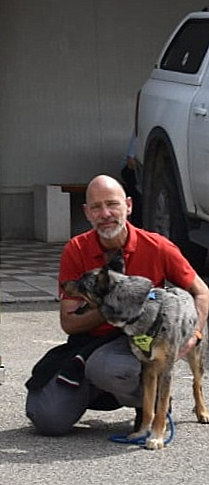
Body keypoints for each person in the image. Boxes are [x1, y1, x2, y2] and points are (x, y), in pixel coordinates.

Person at [25, 174, 209, 436]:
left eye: (112, 204)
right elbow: (69, 323)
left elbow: (201, 292)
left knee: (110, 368)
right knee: (48, 419)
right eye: (96, 207)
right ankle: (99, 390)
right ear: (86, 213)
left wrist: (194, 335)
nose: (105, 214)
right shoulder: (76, 249)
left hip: (139, 339)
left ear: (129, 206)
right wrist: (113, 307)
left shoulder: (158, 246)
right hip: (90, 343)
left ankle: (152, 403)